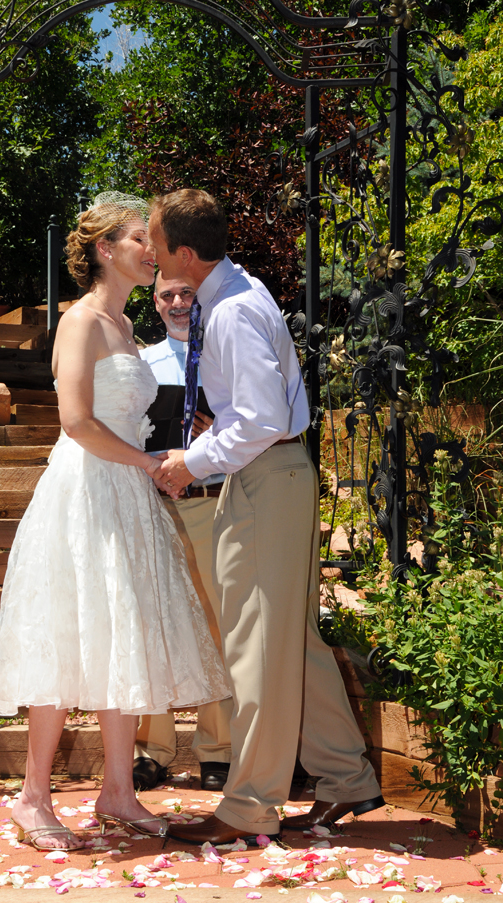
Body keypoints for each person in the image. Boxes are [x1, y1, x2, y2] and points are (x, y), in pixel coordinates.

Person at [0, 192, 229, 852]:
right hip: (86, 492)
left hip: (127, 492)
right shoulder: (82, 322)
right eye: (137, 240)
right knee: (69, 637)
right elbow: (75, 422)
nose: (152, 251)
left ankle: (117, 791)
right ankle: (32, 797)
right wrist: (150, 463)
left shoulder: (128, 329)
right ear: (104, 250)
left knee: (123, 637)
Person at [148, 189, 383, 845]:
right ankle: (346, 778)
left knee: (254, 647)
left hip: (264, 477)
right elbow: (255, 414)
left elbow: (261, 420)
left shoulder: (228, 314)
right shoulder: (237, 291)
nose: (154, 253)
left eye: (157, 241)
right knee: (292, 643)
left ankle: (250, 803)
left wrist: (191, 461)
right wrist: (214, 435)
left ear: (185, 254)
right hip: (276, 475)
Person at [134, 272, 233, 793]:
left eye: (186, 293)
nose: (177, 303)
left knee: (217, 624)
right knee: (155, 624)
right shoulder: (140, 365)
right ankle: (153, 749)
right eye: (166, 295)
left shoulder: (223, 357)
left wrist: (211, 435)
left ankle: (217, 748)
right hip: (153, 506)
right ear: (154, 303)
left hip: (210, 503)